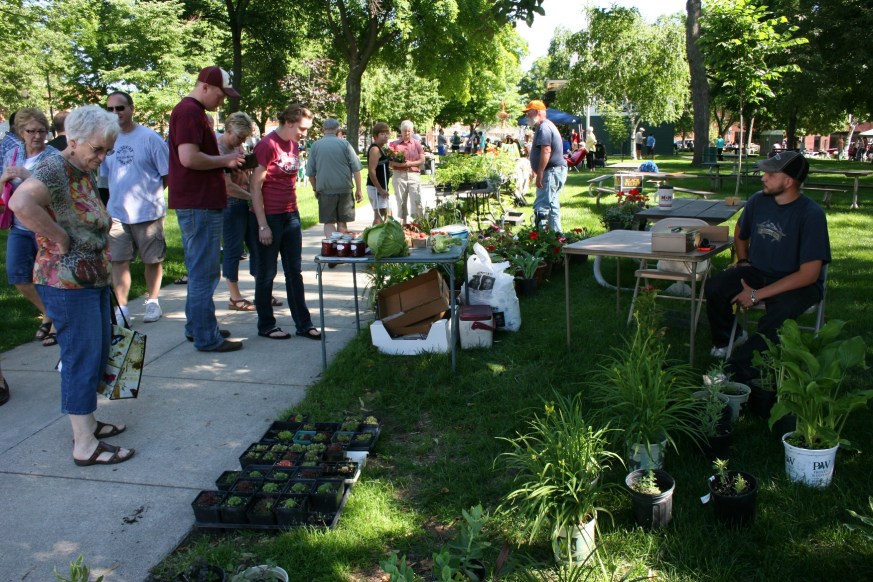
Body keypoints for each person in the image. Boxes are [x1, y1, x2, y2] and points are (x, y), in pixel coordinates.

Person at [9, 105, 135, 466]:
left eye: (107, 151)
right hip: (65, 283)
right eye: (98, 149)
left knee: (95, 356)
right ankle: (84, 445)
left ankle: (90, 424)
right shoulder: (53, 169)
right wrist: (60, 238)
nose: (102, 157)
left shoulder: (79, 168)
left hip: (90, 278)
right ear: (74, 140)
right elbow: (20, 203)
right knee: (81, 359)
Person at [705, 151, 830, 382]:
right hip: (758, 271)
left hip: (798, 282)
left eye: (771, 173)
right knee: (716, 286)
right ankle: (727, 339)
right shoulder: (757, 201)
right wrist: (742, 261)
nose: (763, 177)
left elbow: (810, 275)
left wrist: (756, 294)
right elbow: (741, 232)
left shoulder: (811, 214)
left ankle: (736, 372)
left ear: (788, 181)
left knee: (777, 315)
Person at [168, 66, 245, 352]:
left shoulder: (193, 111)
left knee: (200, 269)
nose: (222, 100)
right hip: (199, 203)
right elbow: (188, 158)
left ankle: (197, 326)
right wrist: (225, 162)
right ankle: (206, 337)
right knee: (205, 273)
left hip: (199, 202)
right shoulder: (189, 111)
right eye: (221, 94)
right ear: (204, 87)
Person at [250, 104, 321, 341]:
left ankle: (303, 323)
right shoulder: (266, 145)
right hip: (269, 216)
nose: (304, 134)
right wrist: (262, 225)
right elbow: (255, 187)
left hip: (291, 215)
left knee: (294, 272)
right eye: (302, 128)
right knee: (266, 273)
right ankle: (266, 324)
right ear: (289, 122)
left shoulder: (292, 143)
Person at [102, 91, 170, 325]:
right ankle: (122, 308)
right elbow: (105, 176)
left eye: (120, 108)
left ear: (131, 109)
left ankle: (152, 302)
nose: (115, 113)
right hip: (117, 212)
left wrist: (151, 196)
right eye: (110, 109)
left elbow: (166, 174)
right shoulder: (107, 139)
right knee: (119, 261)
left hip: (148, 212)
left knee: (152, 260)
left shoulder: (150, 138)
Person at [1, 108, 58, 346]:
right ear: (20, 132)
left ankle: (55, 324)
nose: (37, 136)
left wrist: (27, 176)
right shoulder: (13, 153)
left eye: (42, 131)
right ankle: (52, 314)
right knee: (18, 275)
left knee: (50, 279)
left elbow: (55, 194)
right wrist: (4, 178)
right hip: (20, 225)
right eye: (31, 131)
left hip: (46, 227)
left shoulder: (53, 156)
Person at [217, 111, 258, 312]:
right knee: (233, 249)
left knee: (256, 244)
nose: (242, 141)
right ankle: (235, 296)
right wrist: (252, 198)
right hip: (230, 204)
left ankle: (262, 291)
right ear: (228, 129)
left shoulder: (237, 146)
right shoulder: (218, 150)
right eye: (240, 137)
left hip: (244, 201)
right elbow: (226, 186)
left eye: (244, 138)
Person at [306, 118, 363, 238]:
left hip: (325, 189)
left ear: (323, 129)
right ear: (338, 130)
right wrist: (359, 189)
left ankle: (331, 247)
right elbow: (356, 169)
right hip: (344, 188)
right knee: (342, 221)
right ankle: (341, 248)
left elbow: (311, 173)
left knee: (328, 222)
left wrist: (315, 188)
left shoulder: (316, 146)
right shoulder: (345, 144)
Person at [522, 100, 567, 232]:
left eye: (528, 113)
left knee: (542, 207)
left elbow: (546, 150)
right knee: (552, 206)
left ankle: (541, 239)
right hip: (554, 171)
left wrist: (540, 172)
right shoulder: (546, 126)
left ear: (536, 112)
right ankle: (557, 238)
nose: (526, 116)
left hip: (551, 172)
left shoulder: (544, 127)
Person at [388, 120, 424, 224]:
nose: (407, 133)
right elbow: (390, 162)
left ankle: (418, 224)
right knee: (401, 201)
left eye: (409, 131)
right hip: (399, 175)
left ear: (412, 131)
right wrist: (400, 165)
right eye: (404, 131)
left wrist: (409, 164)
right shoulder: (394, 144)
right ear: (401, 131)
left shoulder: (417, 144)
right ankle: (403, 226)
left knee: (416, 201)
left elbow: (422, 160)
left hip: (413, 175)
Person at [366, 122, 392, 225]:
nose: (385, 136)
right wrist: (380, 190)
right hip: (376, 188)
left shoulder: (382, 149)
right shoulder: (375, 149)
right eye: (382, 133)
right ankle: (373, 239)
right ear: (375, 136)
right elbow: (372, 171)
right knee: (378, 217)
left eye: (387, 133)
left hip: (382, 187)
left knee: (384, 214)